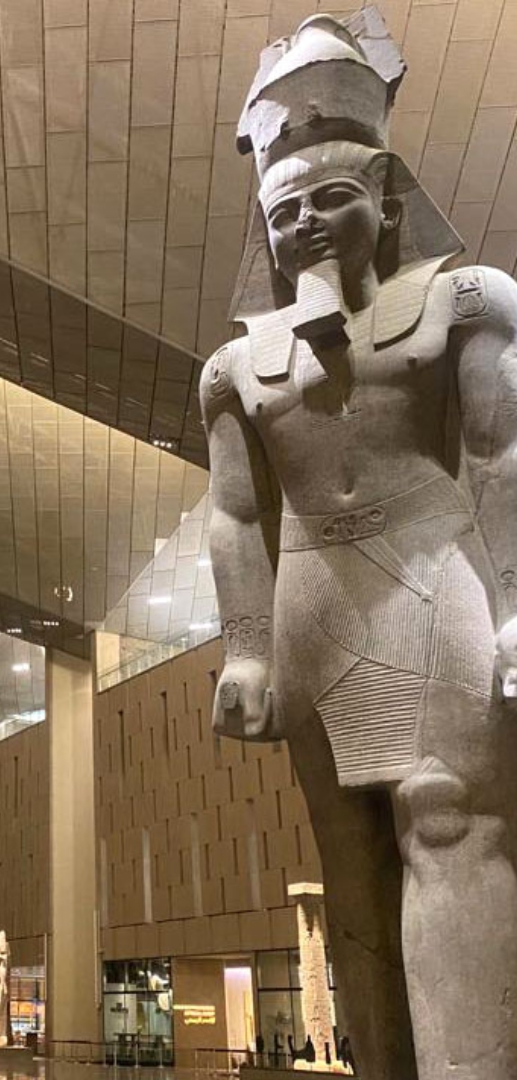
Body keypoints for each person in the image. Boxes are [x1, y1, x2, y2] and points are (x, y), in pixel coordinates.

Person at [204, 10, 517, 1080]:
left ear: (385, 196)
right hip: (315, 604)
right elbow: (236, 513)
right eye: (283, 212)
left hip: (435, 571)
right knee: (350, 858)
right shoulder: (234, 371)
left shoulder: (467, 305)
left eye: (328, 198)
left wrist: (515, 606)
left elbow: (502, 456)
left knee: (452, 825)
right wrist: (247, 648)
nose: (304, 225)